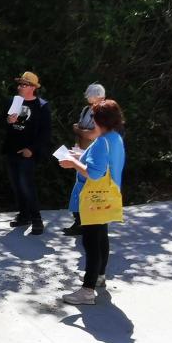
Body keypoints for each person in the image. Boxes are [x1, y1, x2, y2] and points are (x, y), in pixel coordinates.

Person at [58, 100, 126, 305]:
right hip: (108, 197)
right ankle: (98, 277)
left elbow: (94, 173)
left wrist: (72, 163)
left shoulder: (102, 141)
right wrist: (81, 155)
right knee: (101, 237)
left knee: (90, 242)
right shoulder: (115, 138)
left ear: (98, 120)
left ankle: (87, 291)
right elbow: (105, 163)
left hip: (94, 198)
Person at [4, 71, 51, 235]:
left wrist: (32, 149)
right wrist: (8, 120)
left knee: (27, 185)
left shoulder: (42, 106)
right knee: (16, 184)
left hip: (29, 153)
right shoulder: (13, 101)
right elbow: (2, 124)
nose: (19, 87)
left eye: (23, 85)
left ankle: (36, 219)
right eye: (19, 84)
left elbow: (45, 132)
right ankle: (24, 215)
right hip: (11, 150)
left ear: (32, 87)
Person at [62, 83, 106, 236]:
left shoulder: (104, 112)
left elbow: (92, 134)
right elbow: (82, 131)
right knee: (78, 190)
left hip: (94, 156)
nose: (89, 98)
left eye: (91, 95)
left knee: (90, 190)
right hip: (81, 151)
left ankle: (89, 224)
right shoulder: (86, 110)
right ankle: (79, 221)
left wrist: (78, 130)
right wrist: (79, 136)